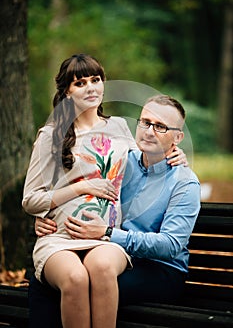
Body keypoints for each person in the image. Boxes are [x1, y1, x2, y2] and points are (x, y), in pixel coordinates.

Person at [23, 54, 185, 328]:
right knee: (75, 278)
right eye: (80, 83)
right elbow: (30, 200)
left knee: (100, 269)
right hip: (60, 238)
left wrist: (175, 152)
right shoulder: (51, 135)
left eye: (96, 80)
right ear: (66, 91)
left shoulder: (119, 127)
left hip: (105, 238)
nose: (90, 87)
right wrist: (79, 188)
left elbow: (144, 162)